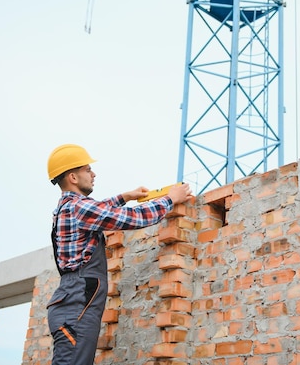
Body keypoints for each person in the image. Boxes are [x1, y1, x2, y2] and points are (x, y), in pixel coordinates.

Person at [45, 144, 192, 365]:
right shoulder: (78, 208)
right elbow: (131, 218)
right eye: (88, 169)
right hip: (75, 301)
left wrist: (125, 196)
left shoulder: (69, 206)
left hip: (72, 300)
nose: (93, 174)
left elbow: (100, 209)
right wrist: (169, 200)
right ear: (73, 177)